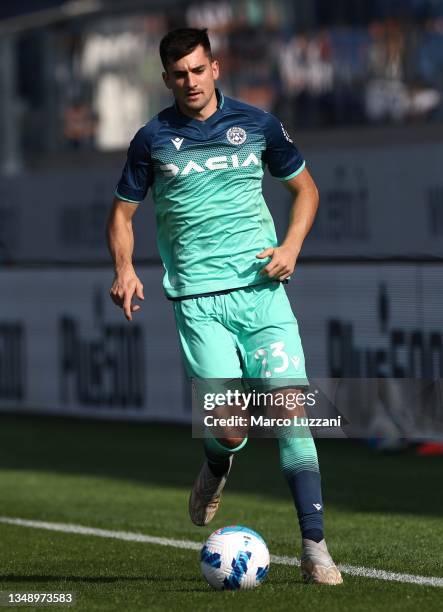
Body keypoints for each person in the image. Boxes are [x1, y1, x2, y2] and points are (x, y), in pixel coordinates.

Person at [107, 28, 342, 585]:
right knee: (233, 429)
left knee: (290, 413)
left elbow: (305, 190)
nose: (189, 80)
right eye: (178, 74)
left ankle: (315, 548)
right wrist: (124, 269)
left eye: (197, 69)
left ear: (215, 67)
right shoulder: (152, 139)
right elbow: (121, 216)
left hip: (263, 293)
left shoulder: (257, 124)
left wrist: (290, 248)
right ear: (166, 79)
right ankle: (217, 462)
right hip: (199, 301)